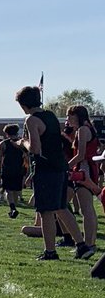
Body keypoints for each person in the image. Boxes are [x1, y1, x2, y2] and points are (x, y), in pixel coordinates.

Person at [15, 86, 88, 260]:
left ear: (24, 104)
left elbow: (35, 148)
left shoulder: (31, 120)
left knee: (46, 211)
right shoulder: (51, 115)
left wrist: (22, 142)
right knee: (61, 207)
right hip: (60, 166)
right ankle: (81, 245)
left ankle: (50, 251)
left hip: (46, 170)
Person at [66, 105, 99, 258]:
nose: (68, 120)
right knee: (89, 209)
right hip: (89, 169)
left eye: (70, 116)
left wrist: (65, 167)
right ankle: (90, 243)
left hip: (84, 171)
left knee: (86, 210)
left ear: (78, 116)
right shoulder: (88, 128)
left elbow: (81, 155)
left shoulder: (82, 130)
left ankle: (88, 244)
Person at [0, 124, 26, 219]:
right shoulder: (22, 143)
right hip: (19, 169)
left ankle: (12, 208)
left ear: (6, 133)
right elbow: (26, 156)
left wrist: (0, 169)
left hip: (7, 169)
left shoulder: (3, 144)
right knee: (16, 191)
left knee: (8, 190)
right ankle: (14, 207)